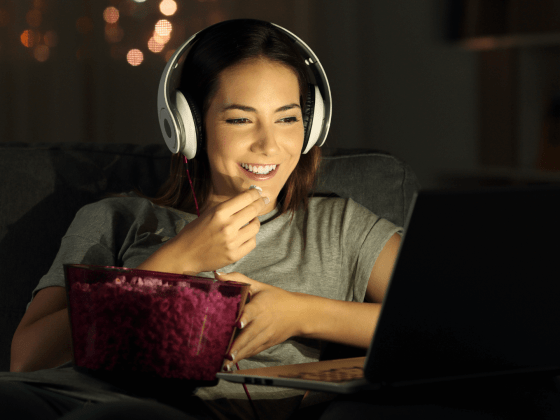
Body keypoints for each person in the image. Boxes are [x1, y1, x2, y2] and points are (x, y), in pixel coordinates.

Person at [1, 19, 402, 420]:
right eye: (240, 119)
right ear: (188, 126)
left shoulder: (340, 228)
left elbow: (448, 326)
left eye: (287, 118)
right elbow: (30, 359)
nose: (269, 144)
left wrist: (300, 313)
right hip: (55, 395)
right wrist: (174, 262)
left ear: (312, 126)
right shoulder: (114, 219)